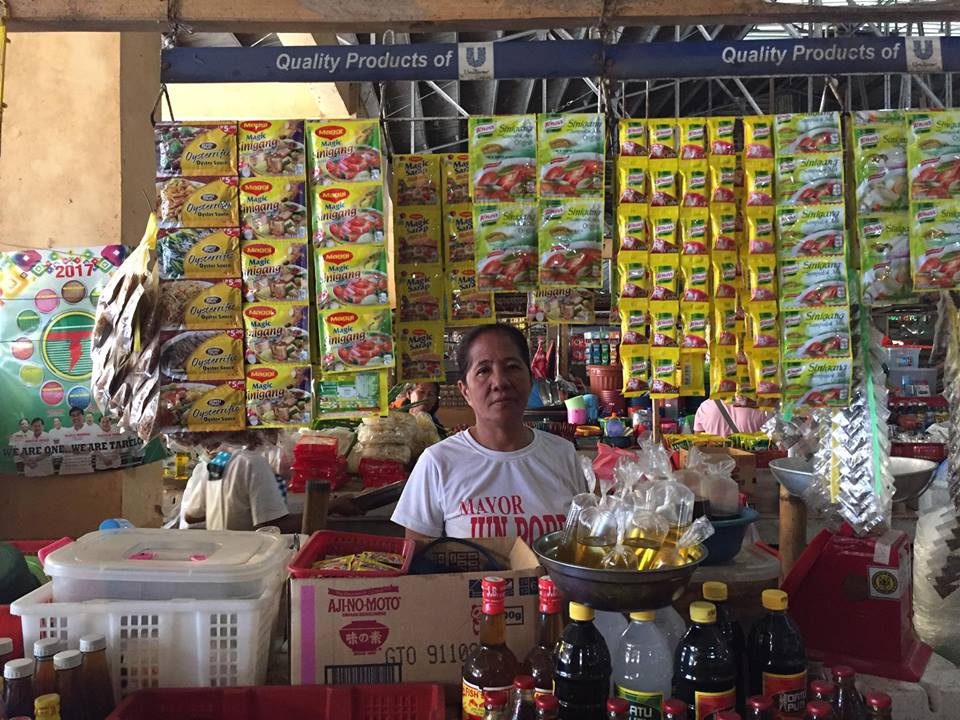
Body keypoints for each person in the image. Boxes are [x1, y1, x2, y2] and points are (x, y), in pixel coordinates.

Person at [392, 323, 587, 546]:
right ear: (465, 390)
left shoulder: (562, 454)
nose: (500, 382)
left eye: (512, 367)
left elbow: (582, 547)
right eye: (483, 370)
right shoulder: (437, 463)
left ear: (530, 379)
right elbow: (419, 561)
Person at [182, 431, 299, 532]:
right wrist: (312, 518)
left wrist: (223, 508)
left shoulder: (218, 461)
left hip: (219, 550)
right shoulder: (253, 462)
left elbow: (191, 515)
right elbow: (272, 524)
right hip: (247, 551)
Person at [693, 396, 770, 438]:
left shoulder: (704, 407)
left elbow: (698, 441)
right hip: (748, 463)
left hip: (715, 462)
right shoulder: (760, 408)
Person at [59, 407, 97, 475]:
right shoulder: (66, 432)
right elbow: (63, 448)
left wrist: (71, 448)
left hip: (84, 469)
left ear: (83, 416)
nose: (76, 417)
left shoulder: (91, 431)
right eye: (73, 416)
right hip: (67, 470)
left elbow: (88, 450)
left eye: (78, 415)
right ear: (70, 418)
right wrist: (79, 449)